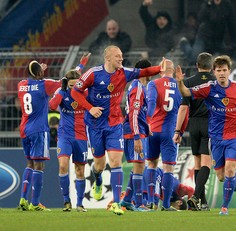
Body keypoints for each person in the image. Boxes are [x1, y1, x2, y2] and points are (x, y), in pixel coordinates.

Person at [71, 45, 164, 215]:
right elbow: (75, 92)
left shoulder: (124, 72)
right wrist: (90, 108)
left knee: (115, 162)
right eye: (117, 57)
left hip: (114, 124)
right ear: (108, 58)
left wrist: (160, 68)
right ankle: (98, 179)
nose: (121, 59)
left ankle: (115, 202)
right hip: (94, 125)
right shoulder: (92, 73)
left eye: (121, 56)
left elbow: (142, 72)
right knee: (99, 165)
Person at [175, 55, 236, 215]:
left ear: (229, 71)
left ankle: (224, 208)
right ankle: (230, 181)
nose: (221, 73)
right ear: (214, 71)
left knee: (230, 169)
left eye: (224, 70)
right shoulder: (209, 87)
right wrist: (179, 81)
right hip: (216, 139)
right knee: (221, 176)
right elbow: (185, 91)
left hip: (234, 136)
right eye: (218, 70)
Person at [17, 60, 62, 211]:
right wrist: (80, 67)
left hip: (24, 129)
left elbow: (32, 80)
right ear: (40, 73)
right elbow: (64, 82)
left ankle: (23, 199)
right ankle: (35, 204)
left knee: (29, 164)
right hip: (39, 129)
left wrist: (38, 72)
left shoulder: (21, 85)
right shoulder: (45, 84)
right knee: (39, 166)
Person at [49, 53, 90, 212]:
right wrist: (60, 91)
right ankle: (67, 201)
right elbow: (52, 106)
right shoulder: (62, 91)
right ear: (67, 83)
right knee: (63, 166)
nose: (75, 88)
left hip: (81, 135)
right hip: (65, 135)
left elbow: (77, 73)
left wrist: (81, 65)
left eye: (76, 85)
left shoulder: (84, 92)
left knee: (80, 170)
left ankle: (80, 203)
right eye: (71, 86)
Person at [173, 52, 214, 211]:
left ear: (197, 65)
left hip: (194, 125)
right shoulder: (215, 82)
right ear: (211, 67)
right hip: (210, 124)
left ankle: (202, 202)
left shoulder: (188, 82)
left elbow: (183, 109)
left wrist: (178, 130)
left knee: (197, 163)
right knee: (206, 163)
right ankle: (197, 197)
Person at [145, 59, 182, 211]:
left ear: (160, 70)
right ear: (172, 71)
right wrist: (180, 131)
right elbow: (184, 111)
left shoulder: (153, 84)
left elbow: (151, 102)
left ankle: (151, 201)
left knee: (151, 165)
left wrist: (147, 121)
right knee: (168, 169)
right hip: (170, 132)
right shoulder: (180, 87)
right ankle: (166, 205)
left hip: (152, 130)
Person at [120, 59, 152, 212]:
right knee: (139, 165)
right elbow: (133, 113)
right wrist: (137, 136)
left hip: (138, 129)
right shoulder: (138, 87)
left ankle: (126, 200)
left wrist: (146, 127)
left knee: (139, 165)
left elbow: (140, 113)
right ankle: (139, 203)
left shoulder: (138, 86)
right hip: (134, 132)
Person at [179, 0, 236, 64]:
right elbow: (200, 18)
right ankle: (184, 43)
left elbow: (231, 24)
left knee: (223, 60)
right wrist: (208, 5)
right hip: (204, 36)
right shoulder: (207, 4)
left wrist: (233, 41)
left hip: (218, 38)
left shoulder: (227, 5)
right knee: (194, 58)